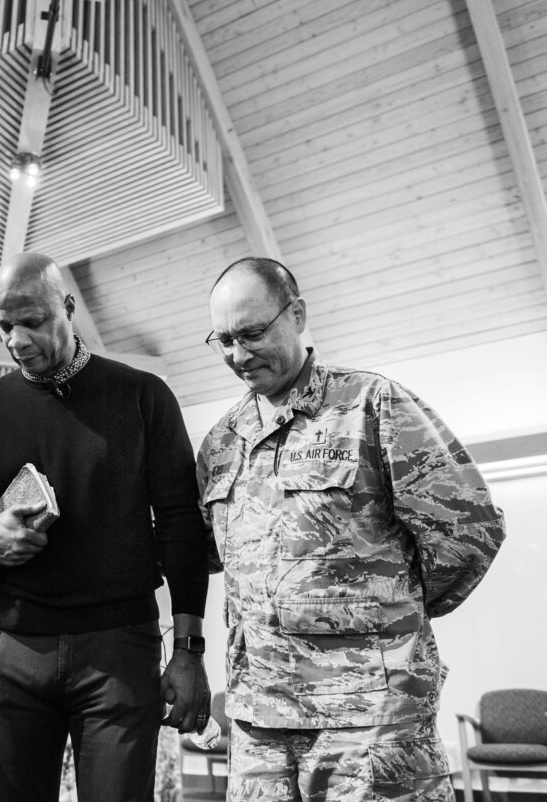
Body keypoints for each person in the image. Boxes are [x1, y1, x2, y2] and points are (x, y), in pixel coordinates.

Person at [197, 257, 505, 801]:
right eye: (222, 340)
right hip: (259, 720)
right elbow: (211, 554)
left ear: (296, 314)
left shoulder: (372, 403)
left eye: (251, 334)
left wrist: (388, 613)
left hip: (371, 716)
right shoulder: (223, 442)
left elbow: (469, 528)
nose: (238, 356)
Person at [0, 251, 214, 802]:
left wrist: (189, 651)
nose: (17, 340)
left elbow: (181, 526)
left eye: (33, 322)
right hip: (9, 648)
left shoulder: (143, 395)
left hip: (118, 651)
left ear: (66, 308)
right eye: (5, 326)